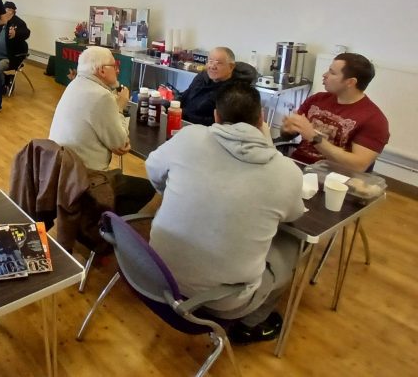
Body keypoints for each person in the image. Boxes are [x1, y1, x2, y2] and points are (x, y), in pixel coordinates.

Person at [146, 81, 305, 344]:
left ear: (216, 116)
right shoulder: (286, 172)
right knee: (294, 244)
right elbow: (292, 216)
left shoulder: (189, 136)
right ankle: (252, 323)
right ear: (262, 118)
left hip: (154, 273)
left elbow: (153, 172)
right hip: (224, 301)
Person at [49, 46, 156, 215]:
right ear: (101, 70)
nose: (118, 70)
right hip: (90, 179)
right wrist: (120, 107)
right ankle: (112, 225)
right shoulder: (102, 97)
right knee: (153, 191)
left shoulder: (75, 84)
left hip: (65, 175)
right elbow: (120, 144)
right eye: (115, 66)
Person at [281, 53, 389, 172]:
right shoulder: (317, 99)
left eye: (332, 73)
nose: (324, 75)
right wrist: (288, 129)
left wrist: (314, 137)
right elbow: (287, 135)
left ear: (350, 82)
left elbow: (358, 166)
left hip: (332, 179)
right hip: (297, 167)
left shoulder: (374, 119)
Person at [179, 46, 237, 126]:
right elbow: (185, 96)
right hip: (180, 121)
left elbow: (217, 123)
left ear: (231, 67)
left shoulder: (233, 92)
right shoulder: (202, 77)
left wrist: (183, 114)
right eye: (210, 61)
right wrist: (167, 105)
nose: (212, 66)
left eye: (218, 63)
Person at [0, 1, 30, 93]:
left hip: (10, 57)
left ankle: (2, 86)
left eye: (3, 10)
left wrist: (16, 33)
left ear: (10, 11)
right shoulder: (0, 21)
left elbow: (27, 33)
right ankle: (6, 79)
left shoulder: (18, 22)